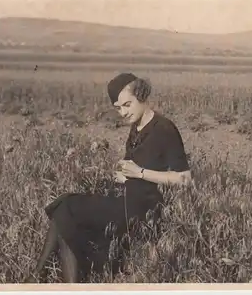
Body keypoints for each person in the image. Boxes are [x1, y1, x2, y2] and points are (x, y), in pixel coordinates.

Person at [24, 72, 192, 283]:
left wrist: (139, 173)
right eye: (118, 108)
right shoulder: (137, 127)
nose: (123, 113)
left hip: (144, 210)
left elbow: (184, 179)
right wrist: (124, 175)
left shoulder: (165, 128)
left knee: (67, 207)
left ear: (142, 95)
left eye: (127, 105)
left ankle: (36, 277)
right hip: (124, 200)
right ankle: (50, 280)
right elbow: (133, 168)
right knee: (65, 209)